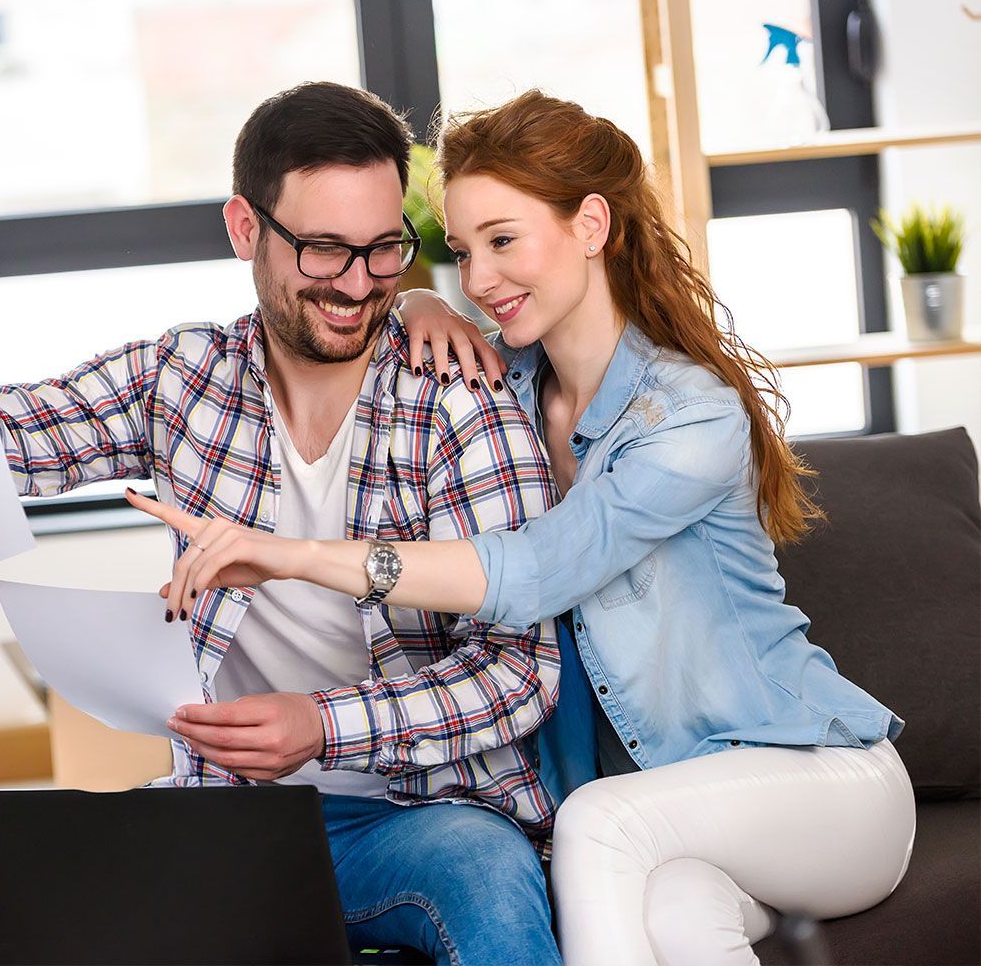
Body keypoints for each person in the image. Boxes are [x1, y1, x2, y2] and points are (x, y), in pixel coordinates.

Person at [127, 89, 915, 966]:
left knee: (598, 826)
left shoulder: (689, 418)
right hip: (683, 816)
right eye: (461, 252)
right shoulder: (497, 387)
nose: (481, 279)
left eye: (504, 241)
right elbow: (417, 331)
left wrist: (297, 558)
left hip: (819, 783)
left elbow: (531, 572)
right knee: (680, 924)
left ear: (590, 225)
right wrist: (420, 308)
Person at [0, 81, 565, 966]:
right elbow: (7, 438)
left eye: (383, 249)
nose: (358, 285)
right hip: (226, 821)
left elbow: (519, 674)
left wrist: (324, 724)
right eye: (322, 249)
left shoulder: (460, 401)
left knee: (484, 871)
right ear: (245, 229)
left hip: (418, 819)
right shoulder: (184, 376)